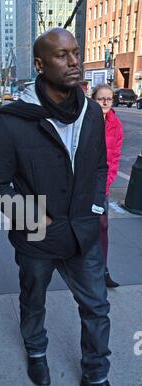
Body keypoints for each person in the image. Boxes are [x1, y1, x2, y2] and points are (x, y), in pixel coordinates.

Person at [0, 28, 128, 386]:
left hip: (83, 232)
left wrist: (96, 206)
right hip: (37, 235)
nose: (74, 61)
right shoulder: (11, 120)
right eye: (62, 55)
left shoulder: (91, 113)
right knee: (34, 300)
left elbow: (99, 166)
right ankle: (36, 351)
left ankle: (96, 374)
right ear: (39, 64)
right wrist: (30, 214)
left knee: (97, 306)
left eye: (76, 53)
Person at [92, 84, 123, 288]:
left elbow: (115, 156)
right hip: (82, 184)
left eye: (109, 99)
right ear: (93, 99)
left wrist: (108, 180)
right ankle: (82, 270)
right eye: (101, 98)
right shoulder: (84, 121)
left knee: (102, 227)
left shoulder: (116, 124)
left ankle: (103, 271)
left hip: (102, 184)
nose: (105, 102)